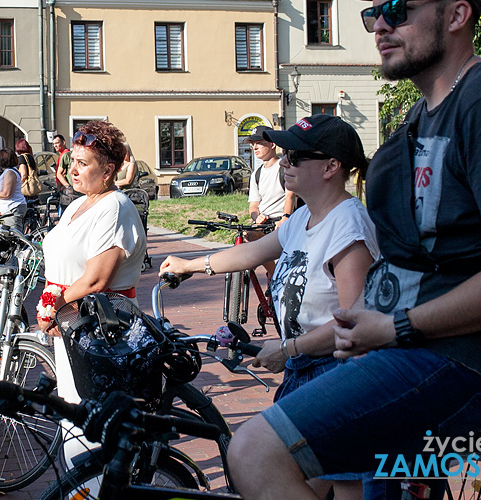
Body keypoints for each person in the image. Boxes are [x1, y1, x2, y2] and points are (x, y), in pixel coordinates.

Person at [225, 0, 481, 500]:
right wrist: (322, 339)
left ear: (456, 16)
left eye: (399, 10)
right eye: (371, 15)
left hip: (461, 356)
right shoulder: (417, 117)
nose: (379, 26)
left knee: (256, 451)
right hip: (400, 347)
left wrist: (398, 328)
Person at [161, 115, 376, 500]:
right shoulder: (304, 217)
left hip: (339, 374)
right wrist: (190, 265)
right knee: (284, 477)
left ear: (331, 167)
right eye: (286, 154)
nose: (285, 163)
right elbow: (252, 252)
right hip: (304, 370)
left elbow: (354, 323)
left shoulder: (348, 226)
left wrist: (288, 348)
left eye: (295, 155)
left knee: (338, 485)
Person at [36, 120, 148, 468]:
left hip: (99, 327)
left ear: (109, 170)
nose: (73, 169)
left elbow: (97, 280)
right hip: (75, 322)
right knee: (76, 412)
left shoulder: (113, 207)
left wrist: (50, 306)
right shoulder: (79, 204)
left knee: (90, 422)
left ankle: (95, 488)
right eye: (72, 161)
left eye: (83, 163)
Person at [245, 126, 297, 278]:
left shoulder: (284, 167)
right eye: (252, 144)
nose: (255, 147)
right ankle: (275, 276)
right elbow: (253, 206)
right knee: (247, 237)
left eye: (259, 143)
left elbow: (290, 196)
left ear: (272, 144)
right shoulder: (256, 174)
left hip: (282, 220)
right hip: (264, 222)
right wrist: (257, 217)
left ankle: (276, 277)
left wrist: (286, 217)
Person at [0, 149, 27, 231]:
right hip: (11, 208)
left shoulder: (10, 173)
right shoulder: (10, 171)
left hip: (13, 208)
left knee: (14, 236)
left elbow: (7, 194)